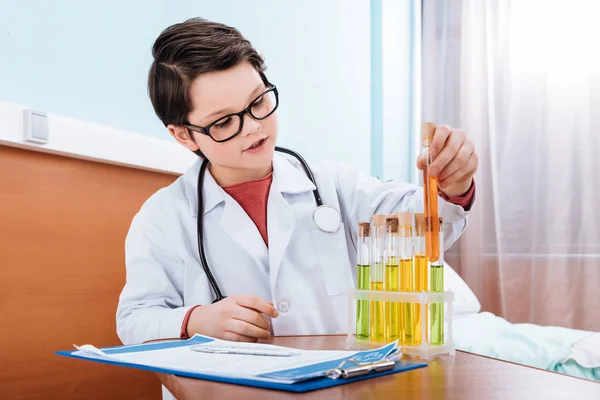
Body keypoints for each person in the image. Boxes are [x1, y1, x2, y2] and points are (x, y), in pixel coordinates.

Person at [116, 18, 478, 346]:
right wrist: (196, 319)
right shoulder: (163, 218)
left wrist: (452, 185)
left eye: (258, 102)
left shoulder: (333, 185)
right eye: (224, 122)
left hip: (337, 382)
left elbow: (422, 226)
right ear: (184, 136)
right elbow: (133, 320)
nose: (253, 126)